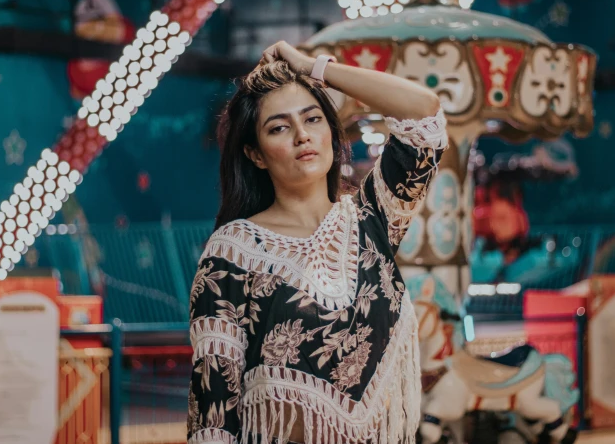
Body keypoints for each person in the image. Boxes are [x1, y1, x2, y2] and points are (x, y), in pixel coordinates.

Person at [187, 41, 447, 444]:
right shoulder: (231, 253)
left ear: (330, 130)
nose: (302, 136)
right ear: (256, 154)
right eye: (279, 127)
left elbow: (424, 113)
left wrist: (315, 67)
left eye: (312, 119)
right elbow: (213, 412)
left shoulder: (372, 219)